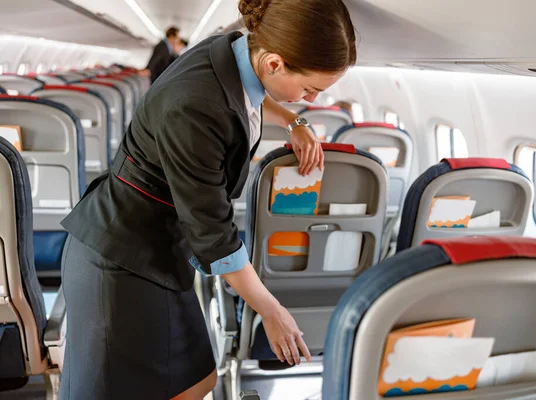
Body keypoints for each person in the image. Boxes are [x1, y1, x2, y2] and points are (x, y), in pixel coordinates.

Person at [58, 0, 357, 399]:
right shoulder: (194, 108)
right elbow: (214, 236)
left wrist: (295, 121)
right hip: (119, 260)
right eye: (309, 90)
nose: (312, 100)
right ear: (274, 63)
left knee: (198, 380)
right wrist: (272, 311)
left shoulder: (232, 51)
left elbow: (247, 95)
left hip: (159, 250)